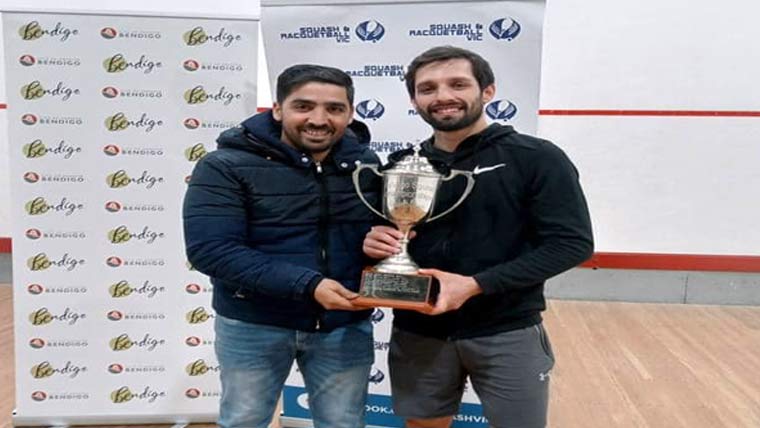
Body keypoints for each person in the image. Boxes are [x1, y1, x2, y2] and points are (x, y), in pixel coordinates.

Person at [363, 46, 594, 428]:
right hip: (418, 329)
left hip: (506, 329)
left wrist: (476, 284)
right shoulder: (401, 166)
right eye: (428, 88)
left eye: (457, 84)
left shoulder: (536, 157)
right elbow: (386, 237)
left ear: (487, 91)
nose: (442, 96)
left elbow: (572, 244)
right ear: (414, 100)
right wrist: (373, 244)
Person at [183, 64, 380, 428]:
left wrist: (385, 244)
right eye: (303, 106)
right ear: (277, 109)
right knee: (244, 422)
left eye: (334, 108)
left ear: (350, 113)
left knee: (344, 424)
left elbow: (375, 233)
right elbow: (211, 250)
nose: (318, 119)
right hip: (253, 323)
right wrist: (309, 285)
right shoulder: (224, 165)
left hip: (342, 325)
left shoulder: (364, 164)